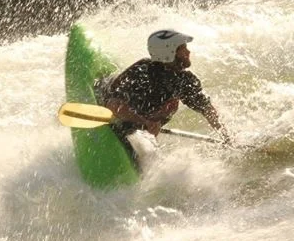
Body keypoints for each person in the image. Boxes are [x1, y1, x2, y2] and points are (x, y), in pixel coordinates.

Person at [97, 29, 233, 168]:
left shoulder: (185, 81)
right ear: (169, 53)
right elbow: (113, 105)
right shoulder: (144, 71)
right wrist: (144, 121)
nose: (188, 52)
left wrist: (227, 137)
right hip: (110, 101)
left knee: (169, 108)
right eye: (182, 49)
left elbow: (207, 110)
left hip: (142, 122)